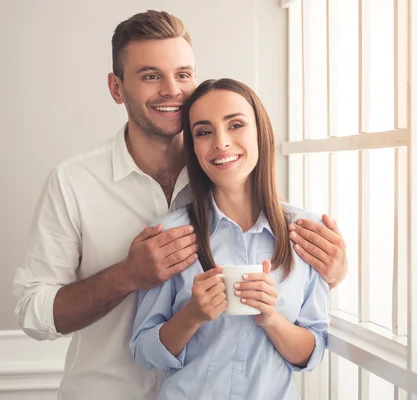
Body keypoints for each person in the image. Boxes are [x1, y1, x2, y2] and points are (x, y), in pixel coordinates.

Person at [12, 10, 346, 400]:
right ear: (116, 88)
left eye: (183, 74)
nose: (172, 90)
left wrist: (334, 270)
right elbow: (33, 312)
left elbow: (286, 265)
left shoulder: (223, 164)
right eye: (151, 76)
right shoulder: (72, 182)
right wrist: (128, 275)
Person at [131, 78, 329, 400]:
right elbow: (143, 351)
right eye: (204, 132)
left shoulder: (307, 233)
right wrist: (192, 315)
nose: (221, 143)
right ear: (194, 147)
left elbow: (313, 351)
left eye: (235, 125)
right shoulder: (170, 236)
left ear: (260, 132)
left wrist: (271, 318)